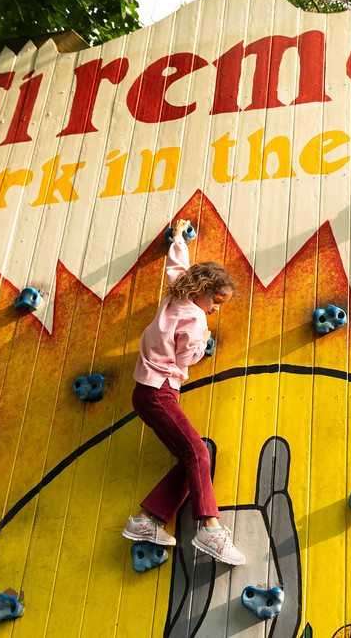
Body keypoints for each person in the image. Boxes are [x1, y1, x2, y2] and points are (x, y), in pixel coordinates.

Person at [121, 218, 245, 566]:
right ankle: (209, 527)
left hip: (147, 392)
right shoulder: (196, 319)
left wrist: (178, 238)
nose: (217, 307)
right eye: (217, 300)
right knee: (199, 454)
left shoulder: (176, 293)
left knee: (193, 455)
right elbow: (186, 356)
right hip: (160, 391)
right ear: (203, 291)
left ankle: (148, 520)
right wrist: (202, 343)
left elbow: (177, 266)